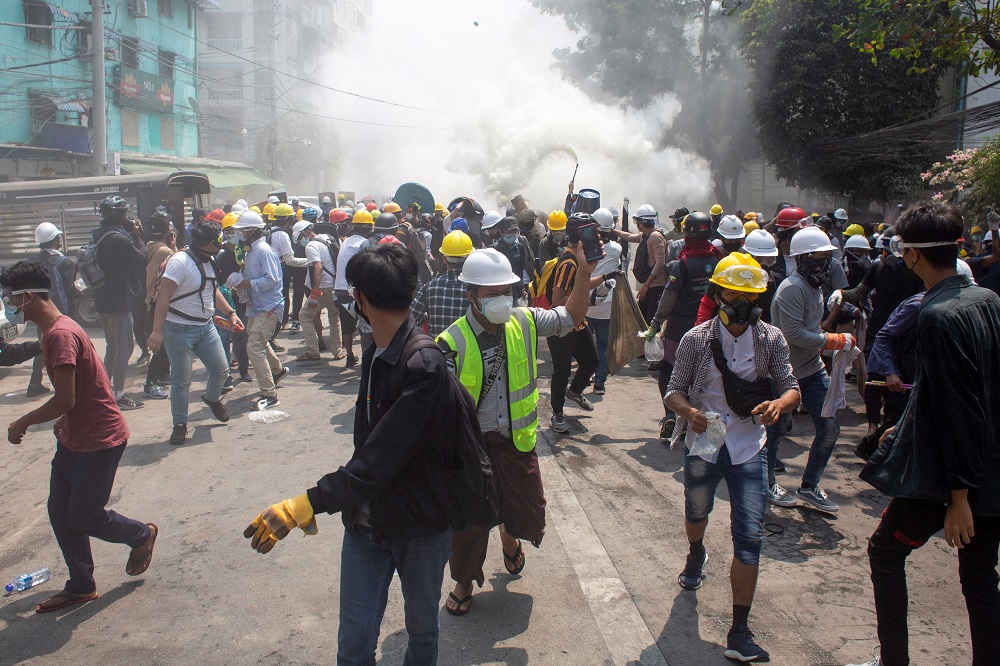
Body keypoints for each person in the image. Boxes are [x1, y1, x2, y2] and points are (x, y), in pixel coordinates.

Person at [245, 244, 459, 665]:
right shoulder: (378, 351)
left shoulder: (424, 365)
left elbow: (378, 459)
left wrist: (306, 502)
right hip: (368, 523)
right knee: (355, 644)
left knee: (422, 633)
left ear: (359, 299)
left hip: (422, 526)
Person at [848, 201, 1000, 666]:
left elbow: (961, 408)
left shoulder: (936, 315)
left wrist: (959, 498)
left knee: (884, 554)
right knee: (980, 578)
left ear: (912, 255)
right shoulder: (988, 301)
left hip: (948, 477)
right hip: (992, 471)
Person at [437, 242, 600, 615]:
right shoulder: (450, 343)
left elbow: (570, 315)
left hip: (516, 443)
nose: (501, 299)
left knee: (520, 507)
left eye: (506, 291)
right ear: (472, 295)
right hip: (473, 450)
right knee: (470, 523)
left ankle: (509, 539)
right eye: (491, 293)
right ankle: (464, 582)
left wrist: (585, 273)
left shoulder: (524, 321)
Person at [666, 253, 800, 663]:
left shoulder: (771, 338)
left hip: (748, 446)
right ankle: (695, 552)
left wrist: (780, 404)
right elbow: (674, 390)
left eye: (749, 294)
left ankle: (739, 630)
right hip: (705, 443)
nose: (740, 301)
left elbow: (792, 387)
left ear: (760, 296)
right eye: (733, 292)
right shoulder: (696, 339)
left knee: (749, 537)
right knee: (696, 510)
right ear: (718, 294)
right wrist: (688, 412)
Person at [3, 260, 157, 614]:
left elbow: (65, 398)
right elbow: (85, 386)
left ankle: (141, 535)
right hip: (75, 436)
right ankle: (81, 584)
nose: (9, 303)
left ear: (27, 296)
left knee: (84, 516)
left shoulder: (59, 335)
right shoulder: (57, 329)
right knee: (60, 512)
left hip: (100, 441)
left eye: (11, 297)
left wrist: (22, 421)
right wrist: (63, 421)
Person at [769, 226, 855, 513]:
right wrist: (832, 340)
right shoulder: (793, 289)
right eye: (821, 257)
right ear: (804, 258)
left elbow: (810, 330)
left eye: (828, 257)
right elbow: (794, 334)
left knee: (829, 427)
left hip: (811, 369)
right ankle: (767, 482)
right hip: (783, 372)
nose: (827, 263)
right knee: (777, 429)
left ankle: (809, 486)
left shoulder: (815, 287)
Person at [147, 222, 235, 445]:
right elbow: (163, 296)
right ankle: (180, 424)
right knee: (181, 381)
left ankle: (211, 398)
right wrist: (157, 331)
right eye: (217, 242)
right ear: (206, 244)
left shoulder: (208, 261)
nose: (221, 245)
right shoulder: (180, 262)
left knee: (221, 370)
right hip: (178, 330)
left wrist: (231, 312)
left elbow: (211, 289)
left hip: (205, 327)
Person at [646, 211, 722, 440]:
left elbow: (668, 299)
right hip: (709, 330)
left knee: (669, 372)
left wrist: (654, 325)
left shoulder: (683, 264)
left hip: (679, 330)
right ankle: (693, 418)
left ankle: (671, 414)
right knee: (699, 375)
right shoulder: (718, 260)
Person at [547, 213, 607, 432]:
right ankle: (557, 414)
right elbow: (558, 299)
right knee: (561, 371)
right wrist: (587, 301)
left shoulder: (578, 260)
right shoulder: (568, 262)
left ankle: (574, 392)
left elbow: (582, 282)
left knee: (591, 361)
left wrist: (604, 278)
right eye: (592, 232)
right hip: (562, 326)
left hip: (579, 324)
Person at [92, 195, 148, 410]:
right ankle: (117, 395)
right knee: (125, 346)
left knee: (113, 346)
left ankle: (104, 390)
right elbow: (142, 258)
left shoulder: (99, 234)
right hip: (117, 301)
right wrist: (136, 235)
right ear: (122, 214)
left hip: (101, 298)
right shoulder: (120, 238)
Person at [226, 211, 287, 410]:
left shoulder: (264, 251)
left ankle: (270, 394)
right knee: (256, 339)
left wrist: (247, 283)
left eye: (242, 231)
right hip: (258, 306)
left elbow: (273, 280)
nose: (239, 235)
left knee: (254, 346)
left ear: (252, 232)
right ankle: (276, 370)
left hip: (270, 306)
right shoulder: (251, 251)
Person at [26, 222, 77, 398]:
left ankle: (34, 382)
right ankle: (64, 386)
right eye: (59, 237)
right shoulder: (65, 262)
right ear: (55, 240)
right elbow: (70, 291)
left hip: (40, 310)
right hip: (60, 312)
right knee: (63, 347)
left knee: (43, 345)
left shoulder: (33, 260)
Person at [294, 220, 343, 362]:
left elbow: (317, 267)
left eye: (300, 237)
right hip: (335, 285)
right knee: (334, 318)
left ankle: (312, 351)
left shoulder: (311, 245)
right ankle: (337, 352)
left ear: (306, 232)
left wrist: (314, 293)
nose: (300, 241)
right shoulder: (327, 237)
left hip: (322, 288)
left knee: (304, 316)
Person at [587, 208, 623, 395]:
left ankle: (583, 377)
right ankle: (599, 382)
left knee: (585, 343)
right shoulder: (617, 249)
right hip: (607, 305)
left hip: (586, 303)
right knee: (602, 345)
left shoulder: (586, 248)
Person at [411, 230, 474, 336]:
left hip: (437, 350)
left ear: (444, 259)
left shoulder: (429, 288)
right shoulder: (477, 289)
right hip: (470, 351)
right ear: (469, 258)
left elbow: (410, 318)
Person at [141, 212, 176, 399]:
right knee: (161, 344)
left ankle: (162, 375)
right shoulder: (165, 252)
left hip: (150, 300)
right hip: (159, 301)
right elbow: (178, 267)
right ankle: (150, 383)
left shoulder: (150, 247)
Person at [613, 204, 668, 325]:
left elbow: (660, 262)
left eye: (637, 221)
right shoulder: (646, 236)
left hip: (656, 286)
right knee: (642, 318)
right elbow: (628, 236)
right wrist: (613, 230)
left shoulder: (655, 237)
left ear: (641, 222)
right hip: (650, 285)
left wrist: (646, 285)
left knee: (650, 321)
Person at [334, 209, 375, 367]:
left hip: (340, 289)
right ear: (366, 228)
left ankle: (349, 355)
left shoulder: (346, 241)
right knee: (365, 325)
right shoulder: (364, 243)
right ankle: (367, 359)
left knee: (347, 325)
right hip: (354, 290)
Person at [493, 216, 535, 304]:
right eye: (509, 232)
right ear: (501, 232)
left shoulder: (520, 248)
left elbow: (519, 271)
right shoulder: (495, 249)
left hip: (516, 290)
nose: (513, 234)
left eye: (515, 231)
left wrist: (522, 289)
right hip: (501, 291)